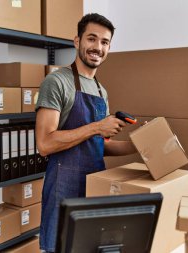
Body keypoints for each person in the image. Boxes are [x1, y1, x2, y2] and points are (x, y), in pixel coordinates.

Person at [35, 13, 138, 252]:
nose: (97, 47)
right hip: (64, 186)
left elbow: (101, 145)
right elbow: (44, 144)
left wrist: (139, 143)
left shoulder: (101, 90)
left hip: (94, 185)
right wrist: (97, 126)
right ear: (77, 41)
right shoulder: (56, 82)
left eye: (104, 42)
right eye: (92, 39)